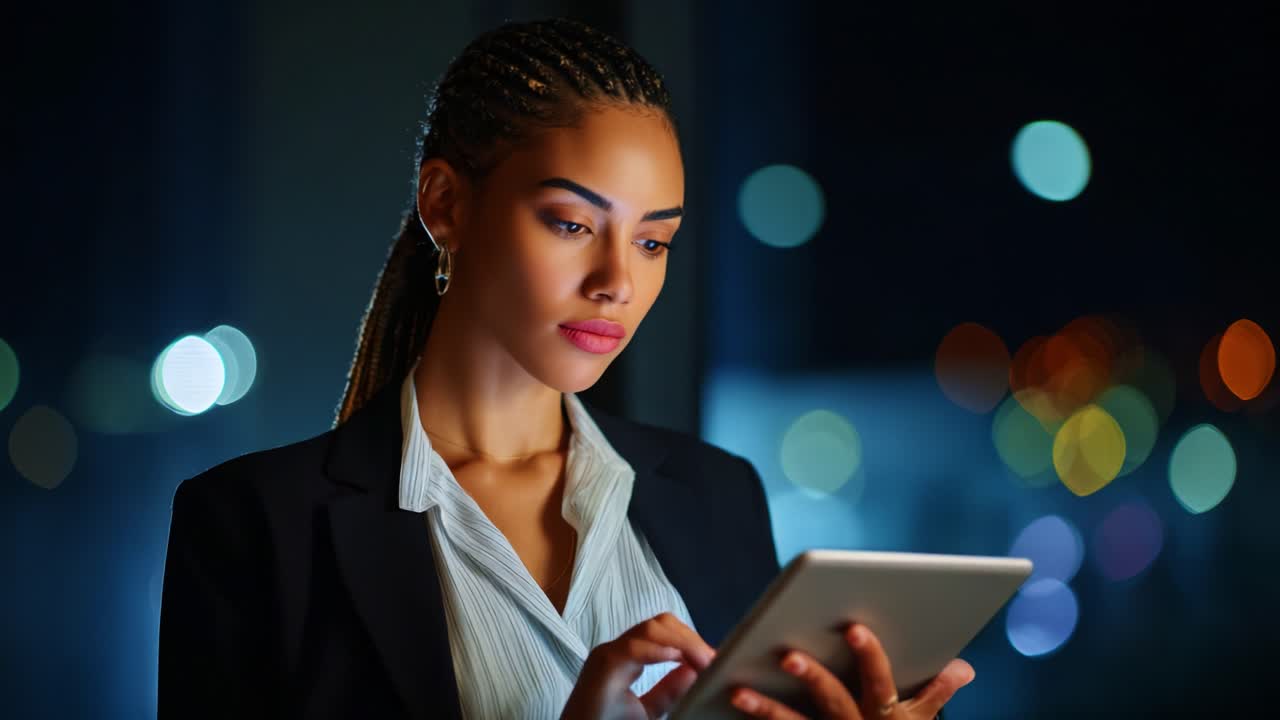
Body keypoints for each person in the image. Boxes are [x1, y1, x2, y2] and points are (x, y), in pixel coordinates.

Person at [157, 17, 974, 720]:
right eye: (572, 223)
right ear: (445, 205)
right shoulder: (254, 526)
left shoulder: (716, 494)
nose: (617, 281)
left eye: (653, 241)